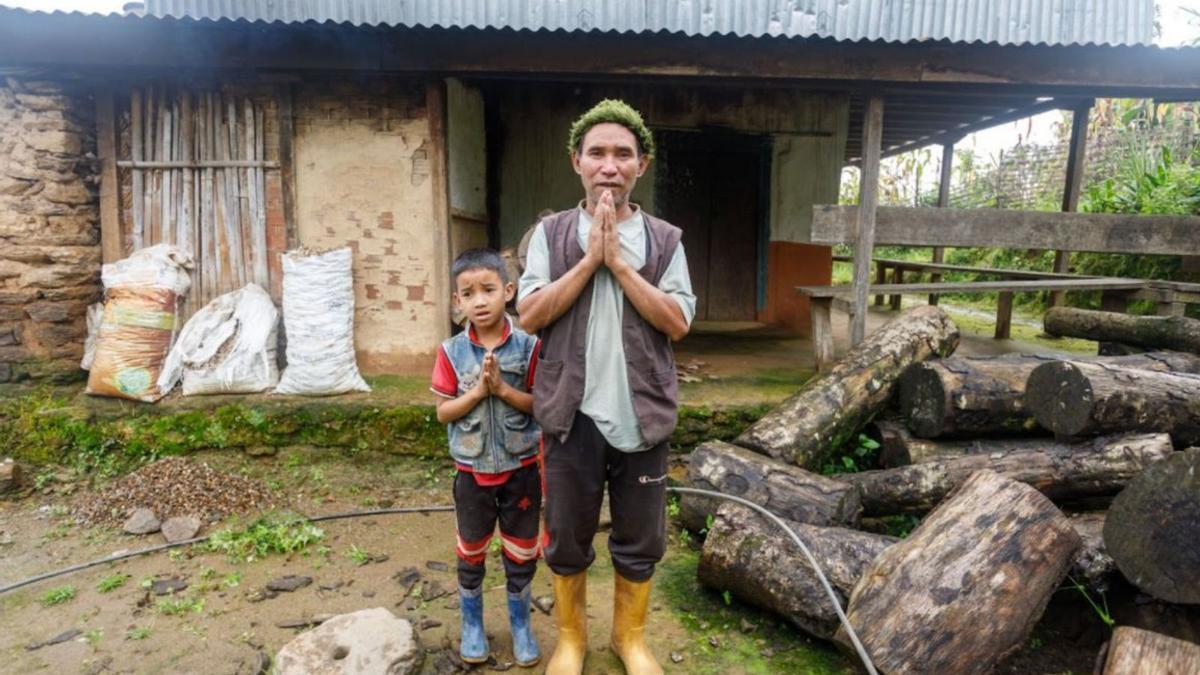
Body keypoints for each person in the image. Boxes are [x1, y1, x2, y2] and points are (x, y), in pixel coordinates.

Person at [517, 99, 696, 675]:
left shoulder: (666, 240)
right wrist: (589, 259)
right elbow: (530, 314)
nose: (609, 166)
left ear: (642, 164)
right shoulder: (550, 234)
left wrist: (620, 266)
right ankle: (571, 641)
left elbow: (677, 323)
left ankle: (629, 640)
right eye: (597, 153)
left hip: (641, 415)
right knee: (566, 533)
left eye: (623, 154)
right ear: (577, 162)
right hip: (570, 414)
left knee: (641, 535)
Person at [431, 248, 543, 667]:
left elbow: (540, 406)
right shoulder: (451, 352)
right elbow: (443, 411)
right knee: (471, 550)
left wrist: (503, 391)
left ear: (509, 291)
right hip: (472, 474)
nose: (479, 301)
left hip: (521, 471)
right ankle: (473, 625)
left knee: (521, 551)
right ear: (457, 302)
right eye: (467, 293)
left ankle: (521, 626)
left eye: (489, 289)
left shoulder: (529, 347)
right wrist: (477, 392)